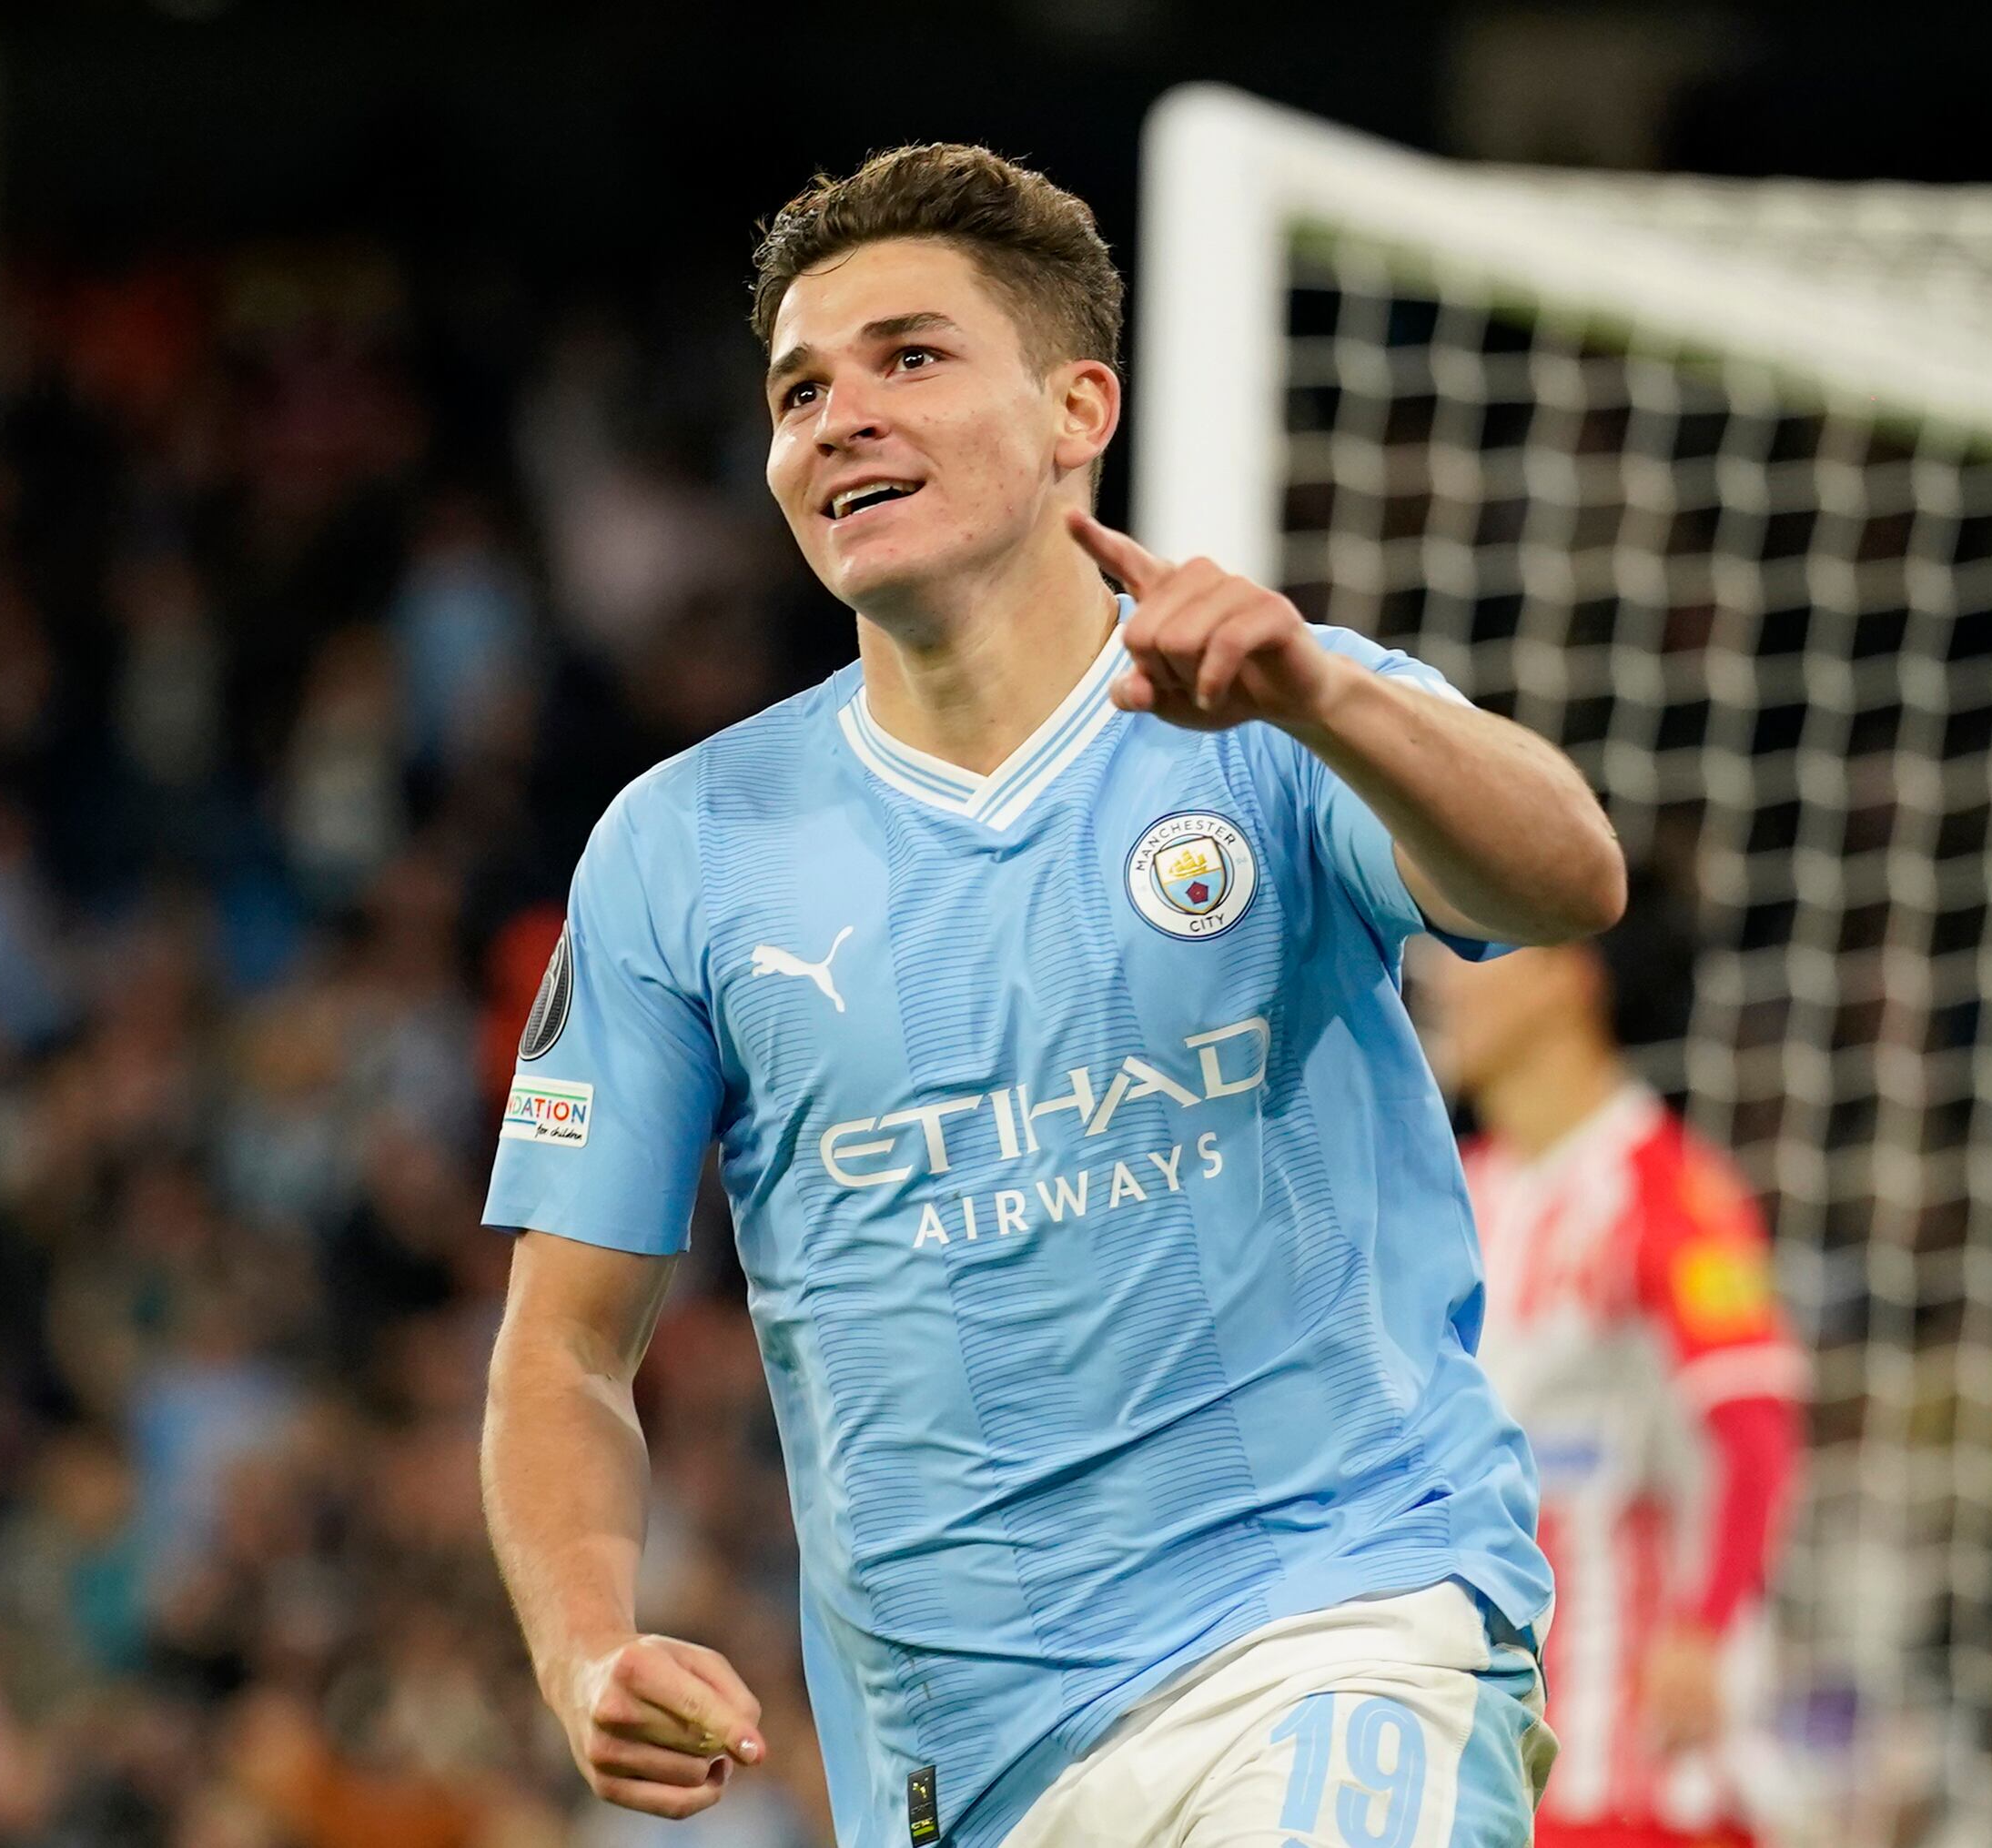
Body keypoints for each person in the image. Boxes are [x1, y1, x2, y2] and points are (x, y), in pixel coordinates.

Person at [478, 142, 1626, 1848]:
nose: (837, 416)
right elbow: (563, 1351)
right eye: (801, 389)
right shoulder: (681, 848)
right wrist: (584, 1653)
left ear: (1080, 406)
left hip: (1339, 1625)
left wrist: (1325, 699)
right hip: (963, 1763)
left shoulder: (1273, 707)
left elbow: (1565, 878)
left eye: (910, 358)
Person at [1414, 875, 1806, 1848]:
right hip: (1476, 1754)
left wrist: (1707, 1627)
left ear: (1566, 979)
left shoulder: (1668, 1191)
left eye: (1472, 954)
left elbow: (1753, 1424)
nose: (1438, 979)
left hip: (1636, 1762)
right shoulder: (1455, 1195)